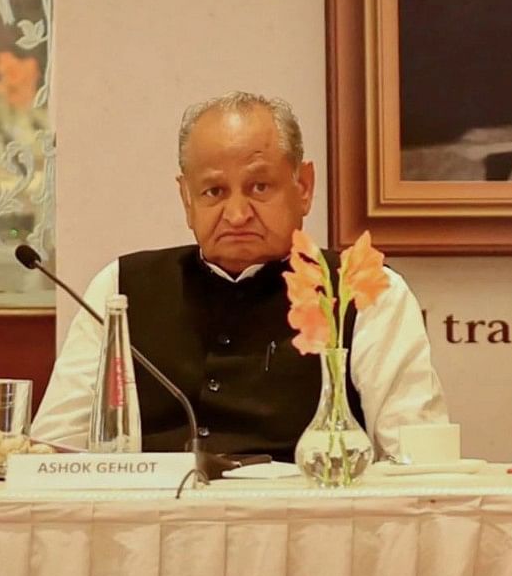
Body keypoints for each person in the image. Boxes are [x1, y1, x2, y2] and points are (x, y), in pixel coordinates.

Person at [31, 93, 450, 459]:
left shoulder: (364, 288)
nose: (236, 215)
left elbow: (415, 458)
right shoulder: (121, 287)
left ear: (303, 187)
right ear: (186, 199)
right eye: (213, 192)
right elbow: (55, 449)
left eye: (259, 187)